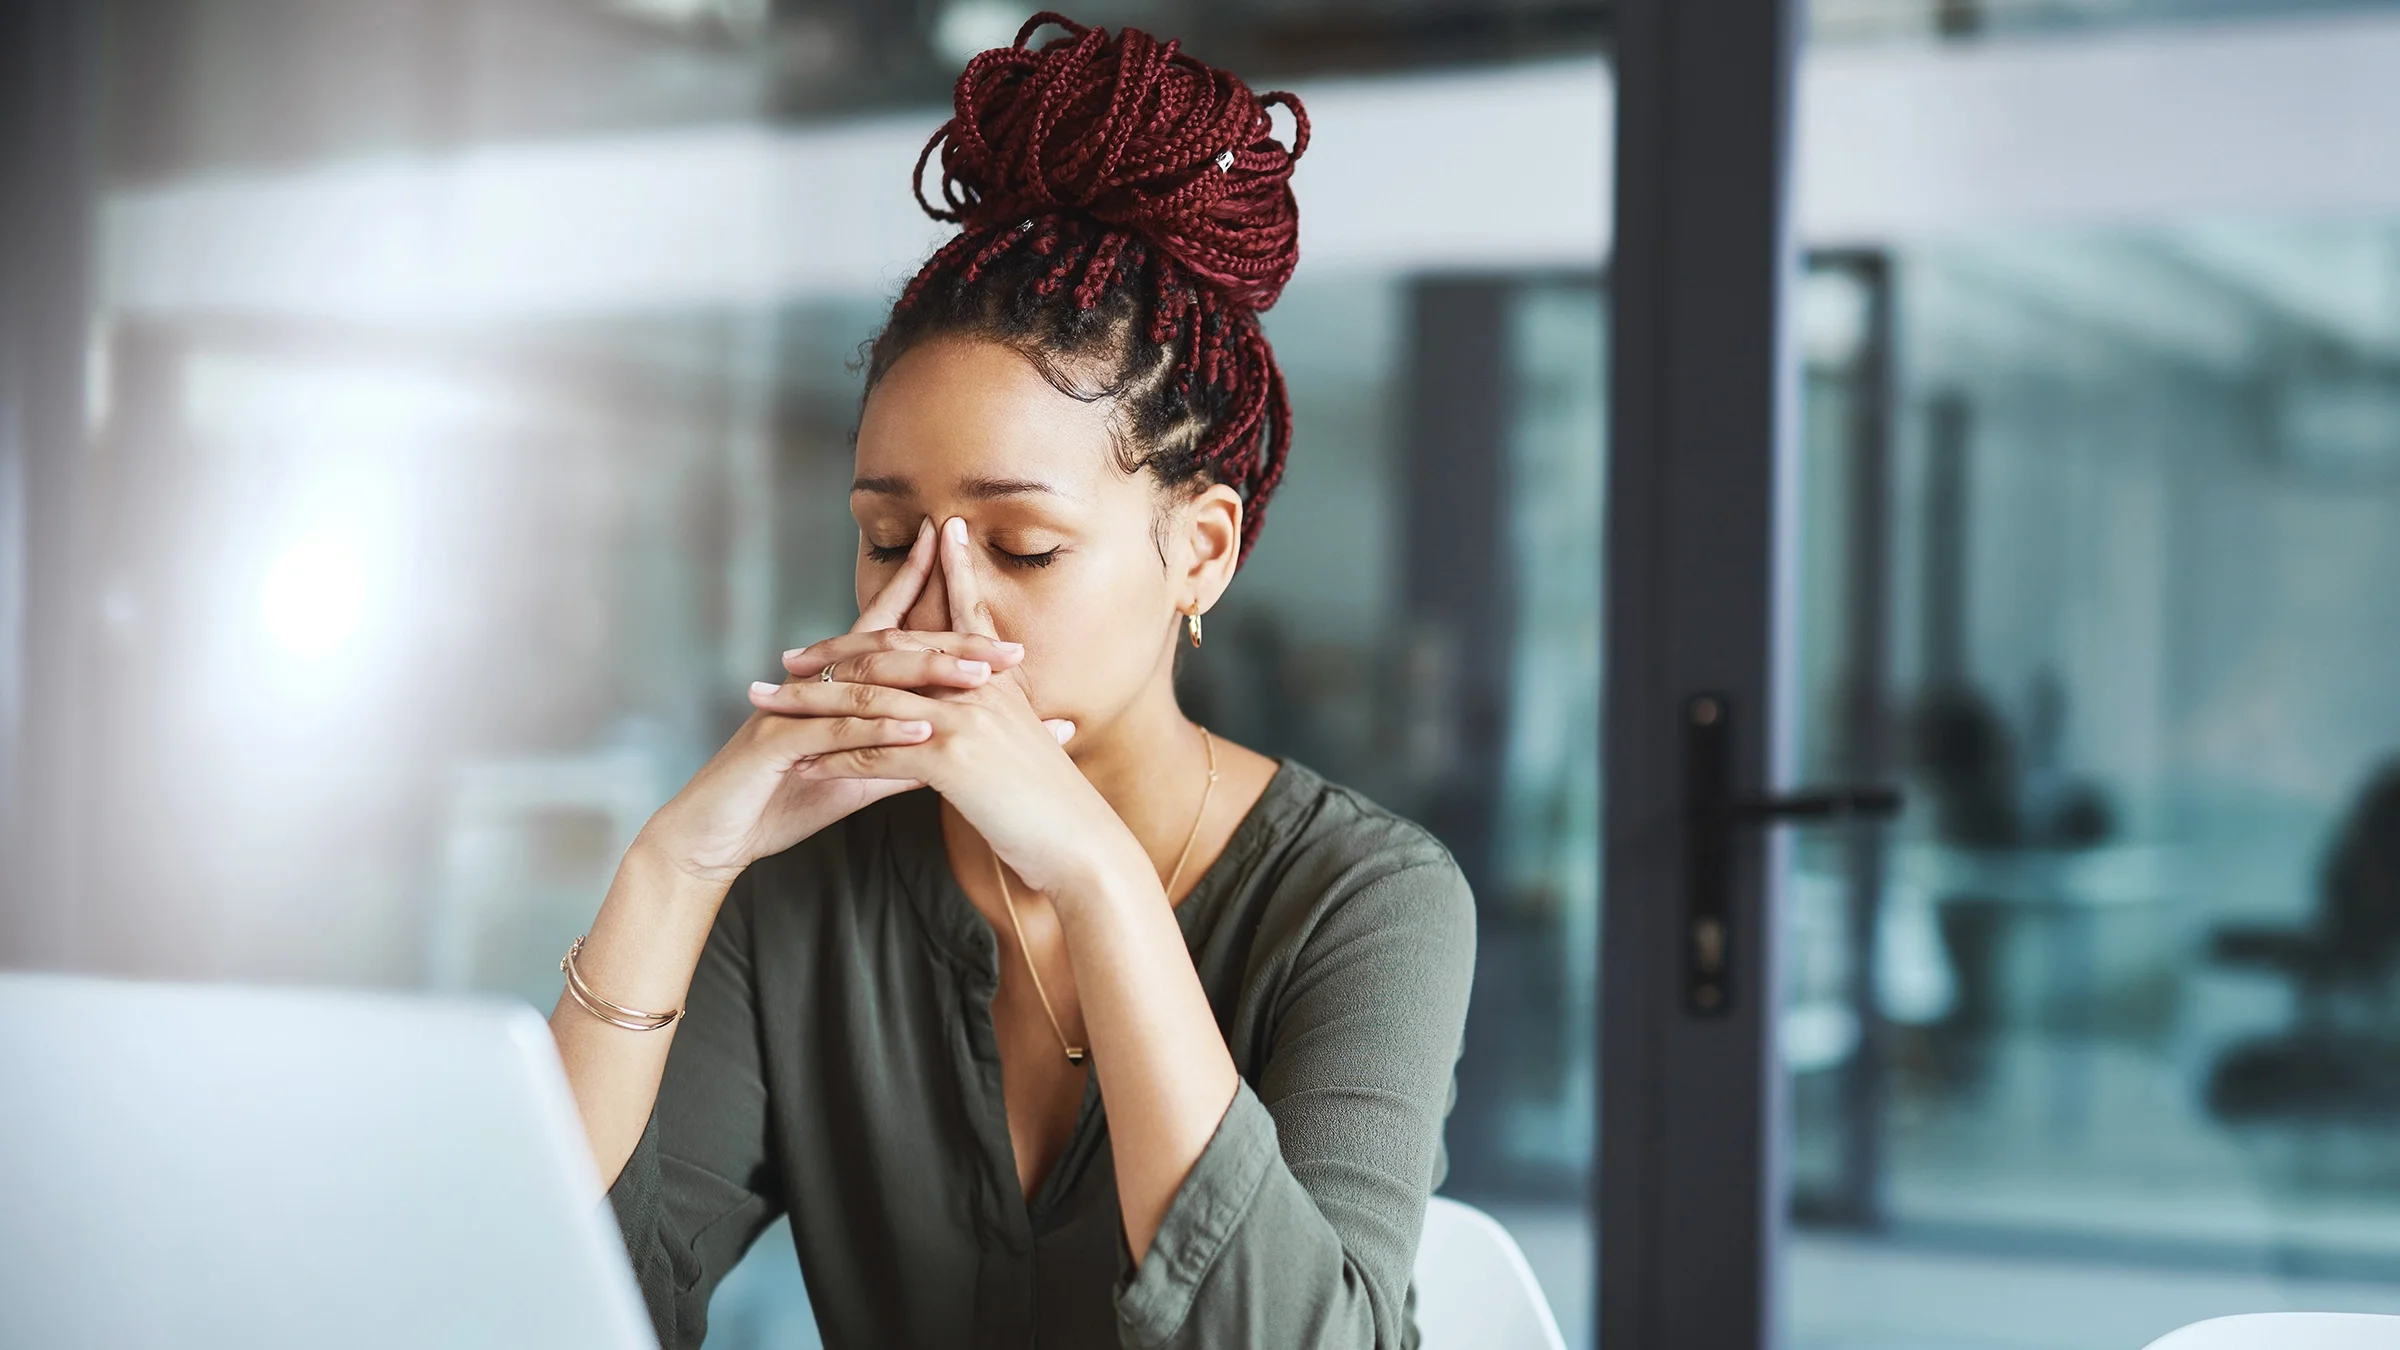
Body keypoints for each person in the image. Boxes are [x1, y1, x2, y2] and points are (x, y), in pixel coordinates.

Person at [548, 15, 1477, 1349]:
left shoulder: (1368, 902)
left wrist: (1095, 874)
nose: (935, 602)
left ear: (1200, 550)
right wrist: (672, 870)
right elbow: (562, 1301)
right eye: (884, 537)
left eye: (1024, 545)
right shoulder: (804, 884)